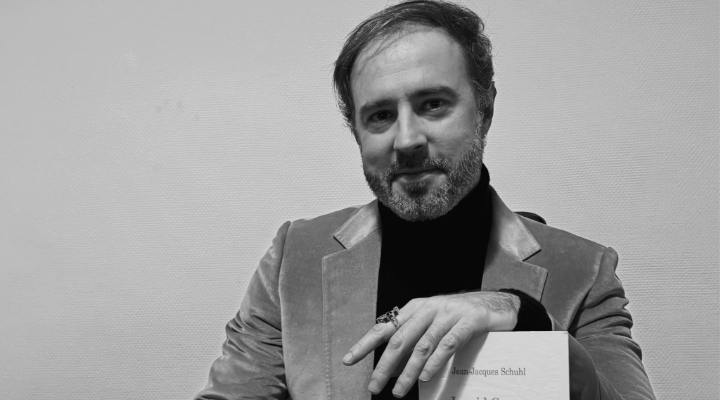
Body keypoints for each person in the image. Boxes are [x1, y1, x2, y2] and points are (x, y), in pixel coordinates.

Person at [195, 1, 655, 399]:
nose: (407, 140)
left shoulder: (584, 272)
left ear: (485, 109)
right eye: (380, 115)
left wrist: (525, 318)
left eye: (433, 104)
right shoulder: (294, 258)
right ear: (356, 131)